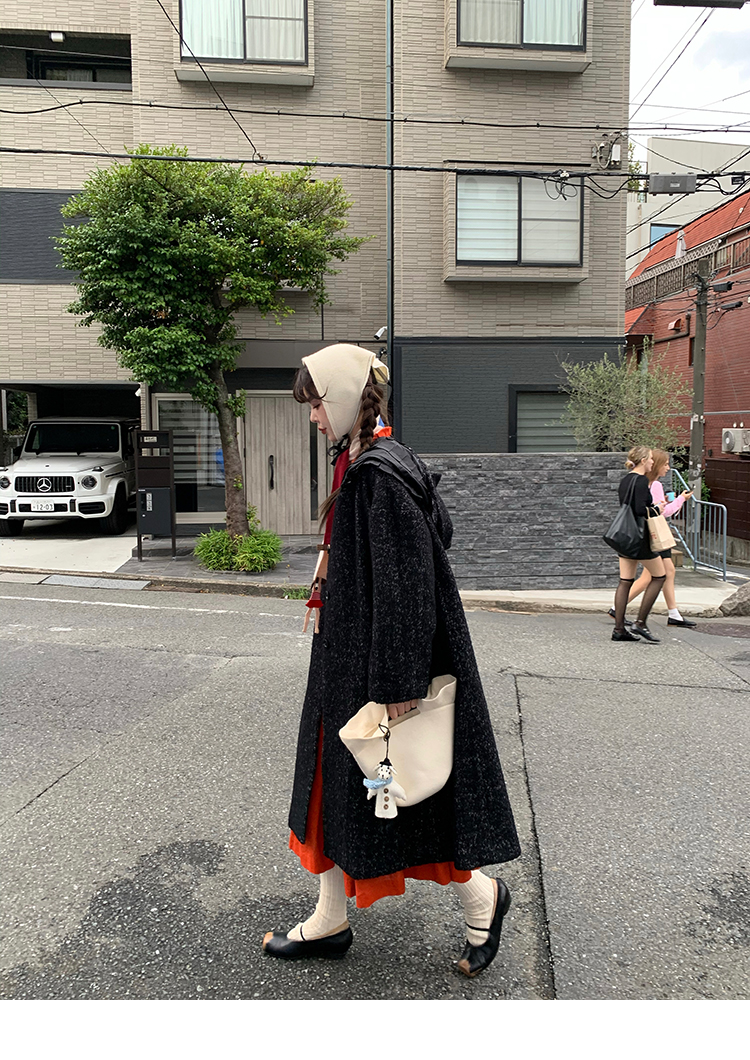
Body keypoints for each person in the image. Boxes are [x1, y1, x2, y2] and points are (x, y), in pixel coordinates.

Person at [261, 343, 521, 977]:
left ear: (344, 397)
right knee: (343, 789)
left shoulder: (378, 472)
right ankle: (331, 917)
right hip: (354, 655)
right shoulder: (367, 457)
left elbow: (407, 583)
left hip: (377, 662)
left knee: (405, 790)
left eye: (316, 403)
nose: (313, 416)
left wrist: (399, 683)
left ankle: (482, 898)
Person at [627, 449, 696, 628]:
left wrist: (662, 503)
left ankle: (674, 613)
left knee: (668, 571)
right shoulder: (655, 484)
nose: (668, 468)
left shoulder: (643, 482)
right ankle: (618, 608)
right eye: (665, 464)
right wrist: (681, 499)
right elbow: (664, 512)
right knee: (653, 576)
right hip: (656, 533)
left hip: (649, 532)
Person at [610, 446, 668, 644]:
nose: (652, 462)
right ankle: (640, 623)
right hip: (640, 538)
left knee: (625, 581)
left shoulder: (626, 480)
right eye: (650, 459)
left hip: (624, 536)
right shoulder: (642, 480)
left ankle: (619, 629)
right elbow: (640, 510)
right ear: (643, 460)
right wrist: (657, 508)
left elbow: (627, 506)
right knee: (660, 576)